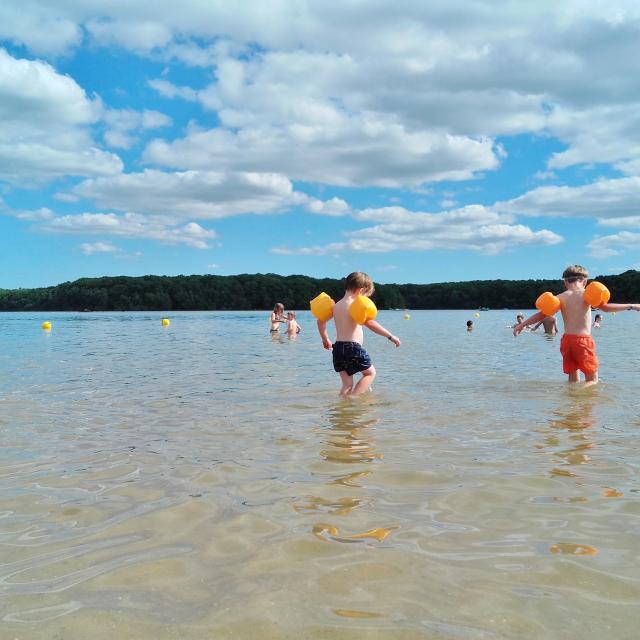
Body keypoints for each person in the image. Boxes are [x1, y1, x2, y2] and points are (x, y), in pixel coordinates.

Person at [513, 264, 639, 384]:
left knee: (573, 379)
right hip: (583, 341)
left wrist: (522, 324)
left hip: (566, 341)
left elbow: (542, 314)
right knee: (592, 380)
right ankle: (584, 404)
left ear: (565, 282)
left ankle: (571, 405)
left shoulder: (560, 297)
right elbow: (605, 308)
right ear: (584, 281)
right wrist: (632, 306)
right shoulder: (586, 295)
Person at [316, 271, 401, 396]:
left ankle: (343, 407)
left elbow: (320, 321)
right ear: (361, 291)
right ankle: (353, 400)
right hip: (353, 348)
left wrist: (325, 339)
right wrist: (390, 336)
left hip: (338, 348)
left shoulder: (335, 306)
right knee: (370, 373)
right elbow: (370, 324)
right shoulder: (355, 305)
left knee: (347, 384)